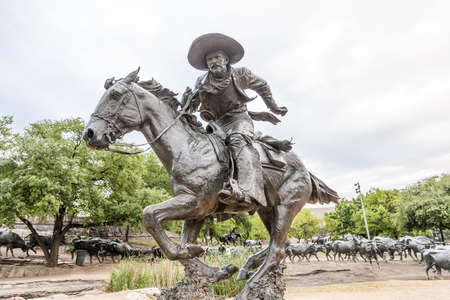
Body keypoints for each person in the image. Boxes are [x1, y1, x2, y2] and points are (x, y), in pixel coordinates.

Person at [184, 33, 288, 207]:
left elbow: (262, 86)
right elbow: (191, 106)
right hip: (216, 125)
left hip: (240, 120)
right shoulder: (201, 82)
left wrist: (274, 107)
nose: (213, 61)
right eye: (209, 59)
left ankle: (246, 191)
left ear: (226, 59)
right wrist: (185, 105)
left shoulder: (241, 74)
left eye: (217, 57)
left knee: (237, 140)